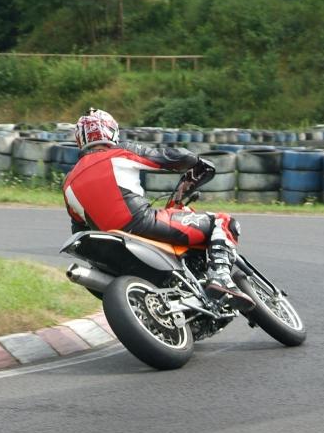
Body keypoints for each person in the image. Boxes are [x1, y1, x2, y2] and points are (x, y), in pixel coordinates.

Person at [62, 108, 253, 312]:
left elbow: (78, 226)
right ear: (111, 131)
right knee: (222, 221)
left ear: (80, 139)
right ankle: (220, 277)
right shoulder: (120, 152)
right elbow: (167, 157)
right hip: (143, 223)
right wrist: (194, 161)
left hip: (106, 244)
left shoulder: (68, 183)